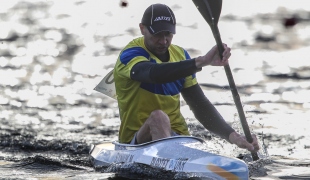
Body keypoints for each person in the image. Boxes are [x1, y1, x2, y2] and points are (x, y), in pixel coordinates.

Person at [113, 3, 259, 153]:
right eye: (157, 34)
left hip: (177, 138)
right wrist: (201, 61)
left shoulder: (181, 55)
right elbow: (154, 74)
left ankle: (175, 156)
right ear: (142, 28)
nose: (163, 41)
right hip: (134, 145)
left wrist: (233, 137)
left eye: (168, 34)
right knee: (159, 118)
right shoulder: (130, 55)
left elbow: (200, 105)